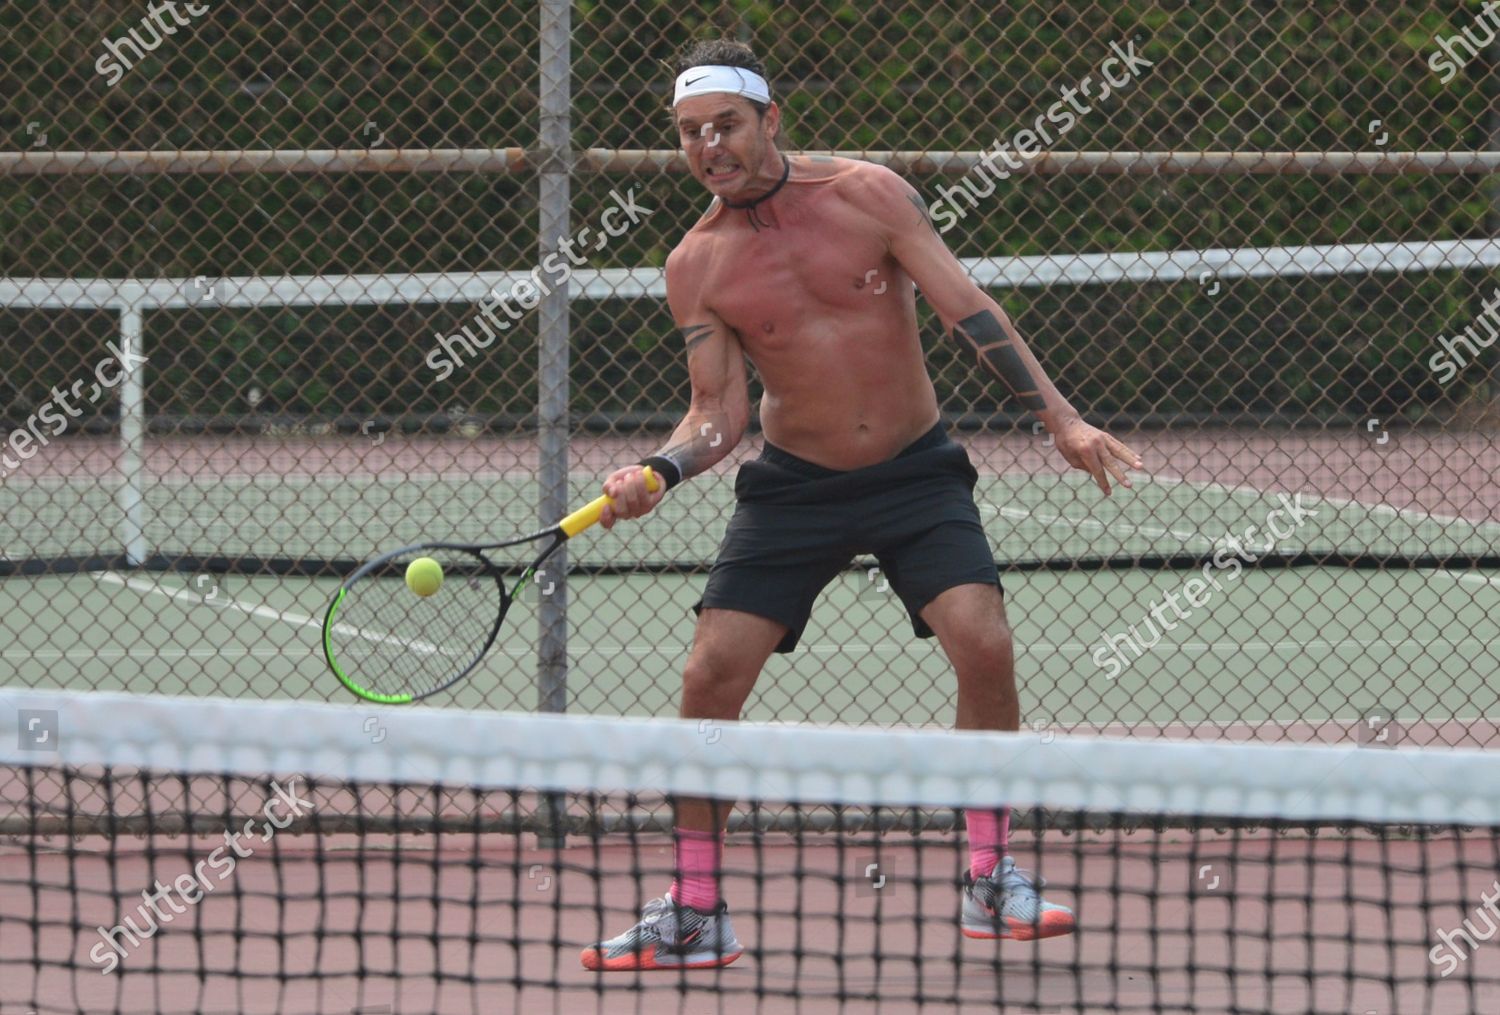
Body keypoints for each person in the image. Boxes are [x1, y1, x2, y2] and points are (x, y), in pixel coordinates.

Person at [579, 39, 1142, 972]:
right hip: (793, 484)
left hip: (915, 473)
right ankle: (694, 907)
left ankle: (990, 875)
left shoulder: (871, 194)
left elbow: (969, 308)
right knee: (709, 676)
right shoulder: (697, 264)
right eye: (689, 133)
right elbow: (715, 414)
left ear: (771, 120)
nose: (709, 145)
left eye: (725, 123)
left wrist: (1062, 418)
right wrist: (661, 469)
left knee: (985, 641)